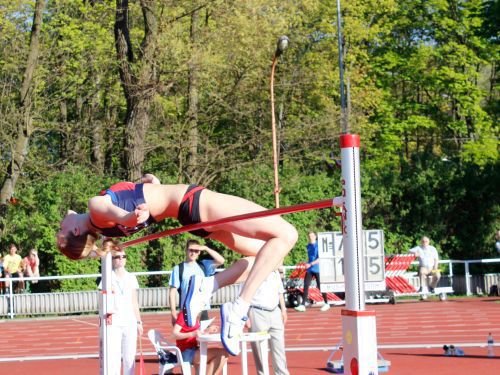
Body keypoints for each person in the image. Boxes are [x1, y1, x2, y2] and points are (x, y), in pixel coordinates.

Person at [56, 173, 304, 356]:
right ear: (76, 229)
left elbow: (134, 200)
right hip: (194, 202)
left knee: (272, 257)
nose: (61, 223)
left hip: (193, 216)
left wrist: (147, 186)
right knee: (286, 234)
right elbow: (120, 210)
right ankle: (239, 307)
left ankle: (208, 286)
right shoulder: (96, 208)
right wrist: (131, 216)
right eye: (61, 229)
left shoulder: (109, 230)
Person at [98, 240, 143, 375]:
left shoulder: (131, 277)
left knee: (129, 358)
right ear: (112, 260)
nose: (121, 259)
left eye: (123, 256)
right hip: (114, 324)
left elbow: (134, 301)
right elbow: (101, 301)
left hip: (129, 322)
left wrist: (139, 321)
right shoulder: (107, 278)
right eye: (117, 257)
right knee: (114, 358)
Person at [244, 266, 289, 375]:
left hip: (275, 312)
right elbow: (244, 295)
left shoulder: (275, 272)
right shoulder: (252, 271)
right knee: (259, 350)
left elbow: (280, 292)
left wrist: (283, 309)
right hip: (257, 312)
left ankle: (282, 373)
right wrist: (245, 316)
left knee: (279, 349)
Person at [169, 240, 224, 325]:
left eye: (196, 250)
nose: (193, 253)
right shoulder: (178, 269)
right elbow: (172, 292)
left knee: (202, 337)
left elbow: (221, 260)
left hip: (202, 310)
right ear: (186, 250)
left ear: (199, 252)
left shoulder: (204, 266)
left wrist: (206, 248)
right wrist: (173, 312)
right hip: (186, 310)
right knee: (188, 337)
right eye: (191, 250)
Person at [172, 310, 227, 375]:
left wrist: (207, 331)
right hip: (186, 352)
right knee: (223, 353)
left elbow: (198, 338)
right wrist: (191, 334)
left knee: (223, 355)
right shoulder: (184, 314)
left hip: (193, 349)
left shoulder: (196, 315)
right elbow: (174, 334)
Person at [294, 232, 330, 312]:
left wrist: (310, 264)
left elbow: (320, 258)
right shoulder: (308, 246)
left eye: (312, 235)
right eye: (309, 236)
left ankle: (326, 303)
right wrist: (306, 263)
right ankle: (303, 305)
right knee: (306, 285)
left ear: (315, 236)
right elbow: (310, 257)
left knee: (320, 286)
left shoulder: (319, 245)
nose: (310, 237)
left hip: (318, 269)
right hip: (310, 269)